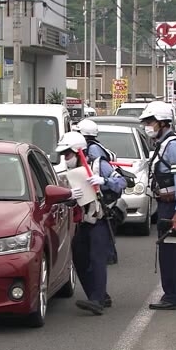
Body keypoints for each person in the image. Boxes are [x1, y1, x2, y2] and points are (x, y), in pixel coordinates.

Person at [55, 132, 127, 315]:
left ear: (78, 151)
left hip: (101, 219)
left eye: (68, 154)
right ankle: (99, 295)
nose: (65, 158)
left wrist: (104, 181)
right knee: (78, 256)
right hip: (84, 221)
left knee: (97, 259)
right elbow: (70, 201)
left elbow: (122, 182)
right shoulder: (72, 173)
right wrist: (70, 196)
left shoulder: (98, 165)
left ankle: (97, 300)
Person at [139, 101, 176, 310]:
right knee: (171, 250)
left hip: (171, 206)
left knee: (170, 252)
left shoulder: (173, 145)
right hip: (166, 204)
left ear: (162, 123)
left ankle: (173, 295)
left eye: (150, 122)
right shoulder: (164, 143)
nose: (147, 126)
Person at [75, 119, 119, 264]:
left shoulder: (93, 150)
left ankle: (108, 255)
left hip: (101, 192)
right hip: (97, 190)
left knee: (101, 223)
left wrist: (102, 180)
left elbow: (100, 168)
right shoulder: (93, 146)